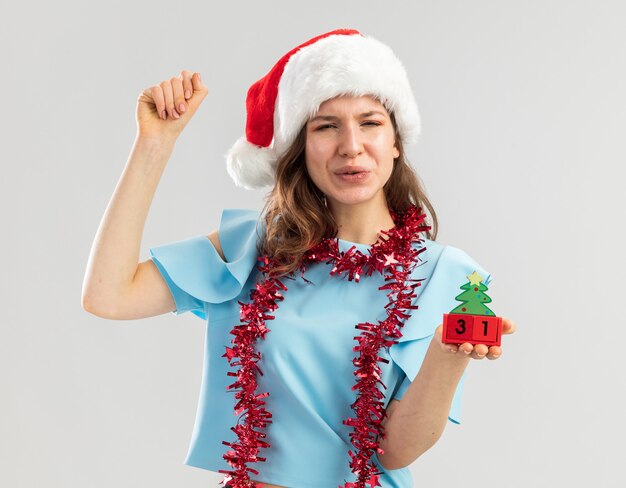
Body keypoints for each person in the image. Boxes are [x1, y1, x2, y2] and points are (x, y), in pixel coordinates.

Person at [82, 29, 516, 488]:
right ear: (300, 149)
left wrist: (446, 357)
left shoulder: (444, 275)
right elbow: (108, 295)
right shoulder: (251, 249)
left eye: (370, 122)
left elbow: (393, 450)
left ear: (395, 141)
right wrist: (155, 144)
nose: (351, 145)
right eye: (326, 126)